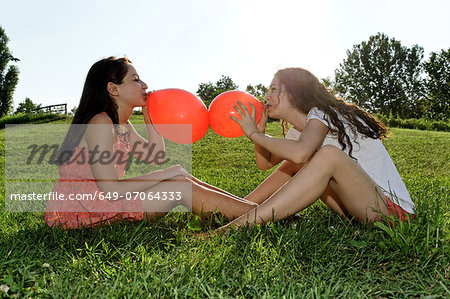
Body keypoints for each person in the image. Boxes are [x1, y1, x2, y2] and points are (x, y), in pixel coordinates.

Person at [44, 56, 256, 229]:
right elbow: (110, 189)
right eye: (135, 79)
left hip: (101, 201)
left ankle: (257, 209)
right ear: (113, 89)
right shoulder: (100, 122)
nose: (144, 85)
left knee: (181, 179)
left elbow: (155, 157)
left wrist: (151, 118)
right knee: (179, 185)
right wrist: (168, 174)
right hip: (80, 210)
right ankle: (263, 216)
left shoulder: (122, 125)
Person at [221, 67, 415, 230]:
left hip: (393, 214)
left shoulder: (322, 113)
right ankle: (242, 208)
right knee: (297, 162)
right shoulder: (298, 134)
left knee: (326, 156)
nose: (266, 96)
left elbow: (300, 153)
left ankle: (234, 227)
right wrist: (260, 133)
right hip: (358, 213)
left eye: (273, 89)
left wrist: (255, 135)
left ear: (294, 92)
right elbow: (265, 164)